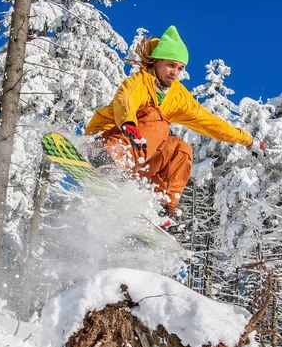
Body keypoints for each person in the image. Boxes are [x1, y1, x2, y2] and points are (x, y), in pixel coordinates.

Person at [85, 25, 266, 219]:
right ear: (156, 62)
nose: (174, 72)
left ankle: (162, 205)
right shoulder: (141, 81)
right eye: (171, 65)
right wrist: (129, 123)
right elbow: (125, 100)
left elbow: (210, 122)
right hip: (109, 142)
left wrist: (247, 139)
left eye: (180, 68)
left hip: (138, 159)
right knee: (157, 118)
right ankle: (110, 158)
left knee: (181, 149)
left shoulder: (178, 96)